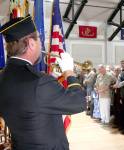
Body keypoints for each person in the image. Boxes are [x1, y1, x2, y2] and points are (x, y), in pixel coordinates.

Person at [0, 15, 86, 150]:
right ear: (31, 44)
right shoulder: (40, 82)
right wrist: (69, 72)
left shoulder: (2, 76)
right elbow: (79, 102)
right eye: (39, 39)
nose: (41, 44)